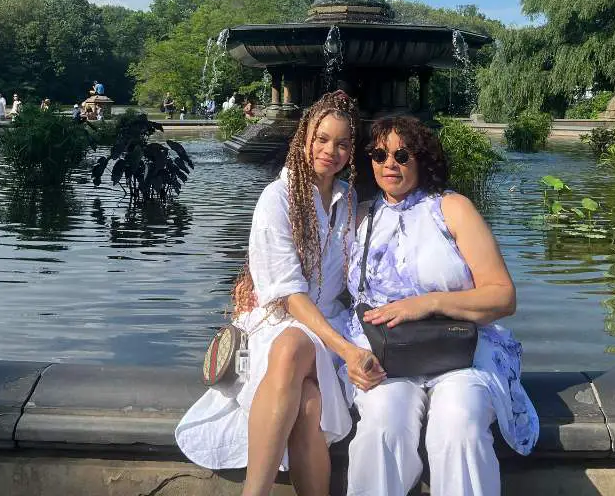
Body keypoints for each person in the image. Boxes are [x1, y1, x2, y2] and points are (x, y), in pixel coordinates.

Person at [175, 92, 383, 496]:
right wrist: (348, 351)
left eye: (342, 143)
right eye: (322, 139)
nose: (331, 151)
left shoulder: (349, 198)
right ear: (304, 138)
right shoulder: (278, 198)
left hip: (327, 324)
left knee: (308, 402)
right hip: (281, 324)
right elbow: (288, 295)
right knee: (292, 355)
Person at [344, 116, 539, 496]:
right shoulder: (361, 216)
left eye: (402, 154)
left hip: (460, 349)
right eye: (379, 154)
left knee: (458, 424)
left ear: (422, 159)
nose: (389, 164)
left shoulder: (452, 209)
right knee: (382, 425)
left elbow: (503, 296)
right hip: (387, 354)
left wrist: (429, 303)